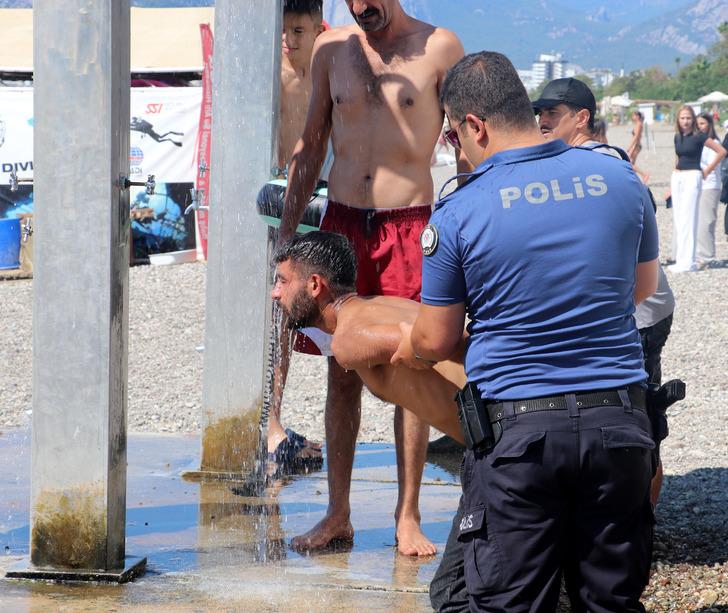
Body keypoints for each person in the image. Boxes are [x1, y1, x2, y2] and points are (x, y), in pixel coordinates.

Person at [393, 51, 660, 611]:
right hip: (620, 425)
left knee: (508, 602)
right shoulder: (618, 178)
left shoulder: (460, 210)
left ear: (475, 125)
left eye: (453, 137)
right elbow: (638, 290)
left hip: (522, 437)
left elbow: (435, 340)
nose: (457, 150)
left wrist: (412, 342)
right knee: (612, 600)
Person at [278, 0, 466, 556]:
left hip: (410, 223)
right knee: (342, 368)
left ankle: (407, 516)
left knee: (414, 362)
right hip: (340, 222)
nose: (363, 8)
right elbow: (312, 141)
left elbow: (465, 151)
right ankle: (337, 515)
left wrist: (473, 232)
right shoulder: (332, 49)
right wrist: (289, 234)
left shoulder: (440, 48)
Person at [266, 0, 327, 474]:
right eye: (284, 31)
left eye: (299, 32)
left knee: (311, 317)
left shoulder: (330, 67)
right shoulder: (276, 74)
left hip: (321, 202)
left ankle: (276, 423)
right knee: (278, 319)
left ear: (318, 27)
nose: (289, 41)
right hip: (281, 203)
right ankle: (272, 425)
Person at [668, 105, 725, 273]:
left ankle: (689, 262)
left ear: (692, 119)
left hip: (693, 175)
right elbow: (678, 157)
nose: (685, 121)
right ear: (678, 120)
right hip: (678, 176)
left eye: (688, 118)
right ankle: (681, 259)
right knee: (679, 219)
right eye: (682, 118)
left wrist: (706, 170)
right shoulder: (677, 137)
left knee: (689, 218)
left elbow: (721, 151)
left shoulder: (699, 137)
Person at [695, 112, 724, 266]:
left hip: (711, 184)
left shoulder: (713, 141)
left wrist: (706, 171)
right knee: (699, 220)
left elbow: (718, 158)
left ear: (709, 125)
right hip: (698, 185)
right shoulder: (698, 141)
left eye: (703, 123)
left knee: (707, 221)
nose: (700, 126)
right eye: (698, 123)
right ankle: (699, 253)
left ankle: (707, 256)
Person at [627, 110, 650, 183]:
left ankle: (644, 174)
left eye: (633, 115)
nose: (632, 117)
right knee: (631, 163)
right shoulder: (638, 124)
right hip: (636, 145)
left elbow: (636, 137)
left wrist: (630, 147)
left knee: (630, 164)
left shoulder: (639, 124)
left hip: (636, 145)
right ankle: (635, 179)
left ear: (637, 116)